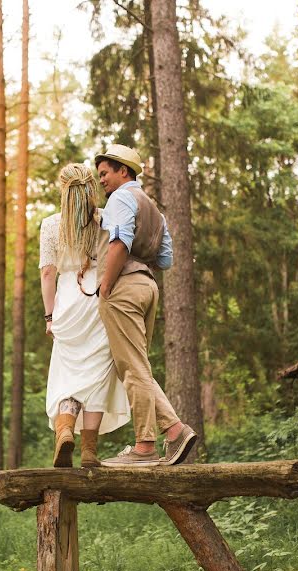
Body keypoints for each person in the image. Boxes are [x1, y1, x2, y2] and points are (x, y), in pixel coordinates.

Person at [90, 144, 197, 467]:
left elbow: (119, 241)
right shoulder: (153, 208)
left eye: (105, 173)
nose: (102, 181)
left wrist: (106, 284)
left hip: (122, 287)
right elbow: (165, 258)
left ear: (124, 171)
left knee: (131, 368)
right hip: (148, 286)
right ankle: (175, 430)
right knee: (138, 365)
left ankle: (144, 445)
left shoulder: (121, 198)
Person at [40, 163, 131, 468]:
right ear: (91, 187)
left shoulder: (51, 225)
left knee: (68, 376)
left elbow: (48, 274)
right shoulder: (104, 219)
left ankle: (65, 430)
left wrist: (50, 317)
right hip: (99, 299)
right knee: (96, 376)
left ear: (63, 189)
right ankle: (89, 451)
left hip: (67, 301)